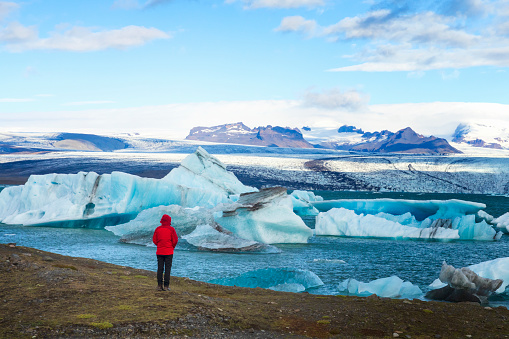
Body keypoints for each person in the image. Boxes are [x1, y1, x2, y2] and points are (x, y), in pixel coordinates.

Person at [152, 214, 178, 291]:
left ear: (162, 220)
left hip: (159, 251)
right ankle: (166, 286)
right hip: (169, 252)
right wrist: (171, 247)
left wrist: (159, 245)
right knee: (167, 269)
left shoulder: (158, 229)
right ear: (169, 221)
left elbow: (154, 240)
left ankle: (159, 286)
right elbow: (175, 240)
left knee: (160, 269)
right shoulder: (171, 229)